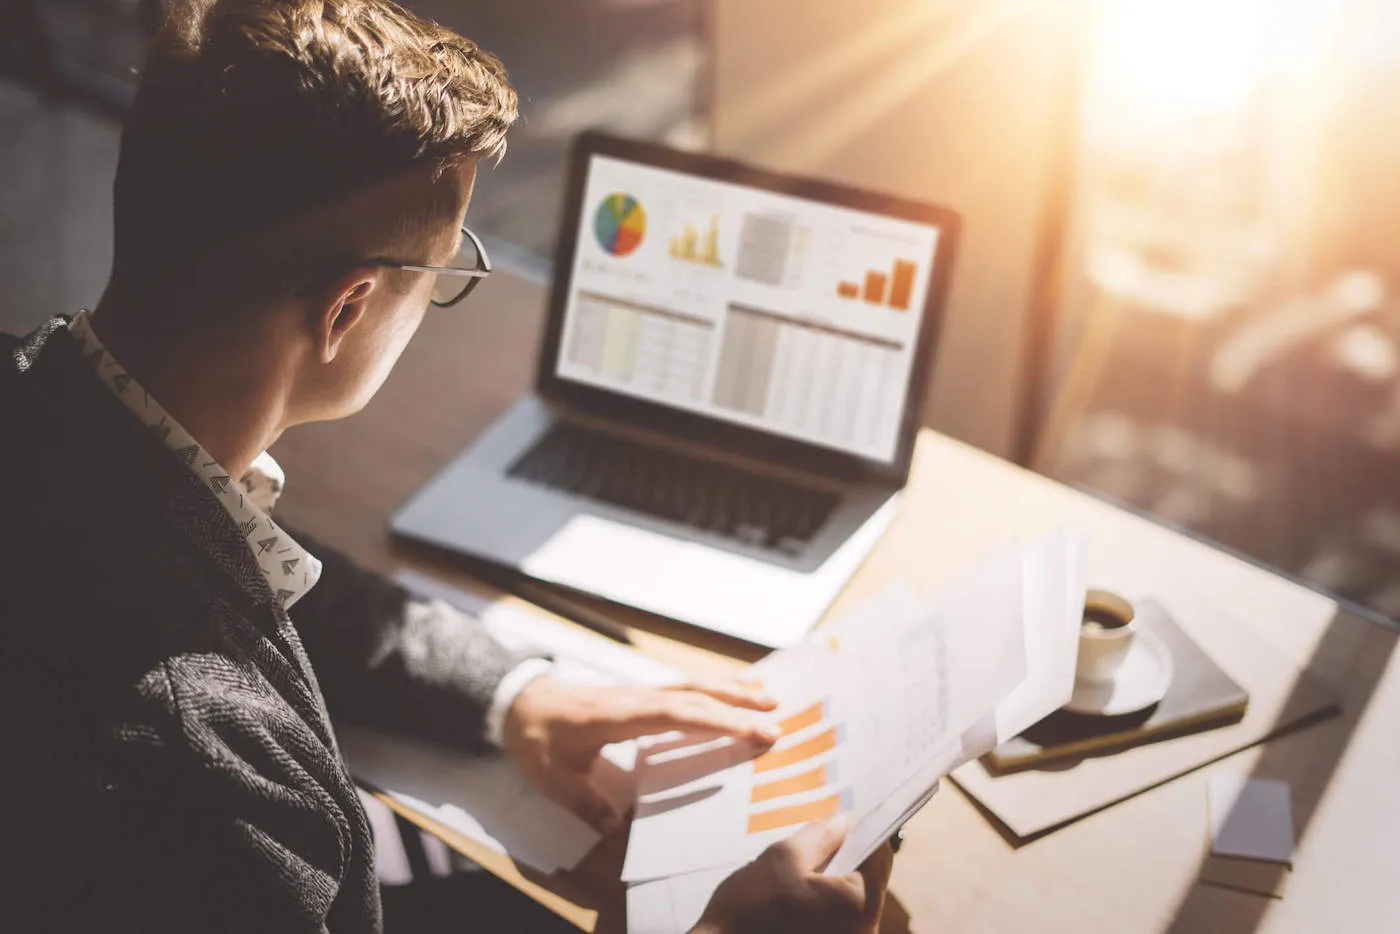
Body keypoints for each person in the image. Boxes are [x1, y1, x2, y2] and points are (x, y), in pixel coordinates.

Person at [0, 1, 894, 931]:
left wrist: (516, 693)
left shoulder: (48, 415)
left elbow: (225, 560)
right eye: (443, 272)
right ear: (347, 311)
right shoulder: (213, 787)